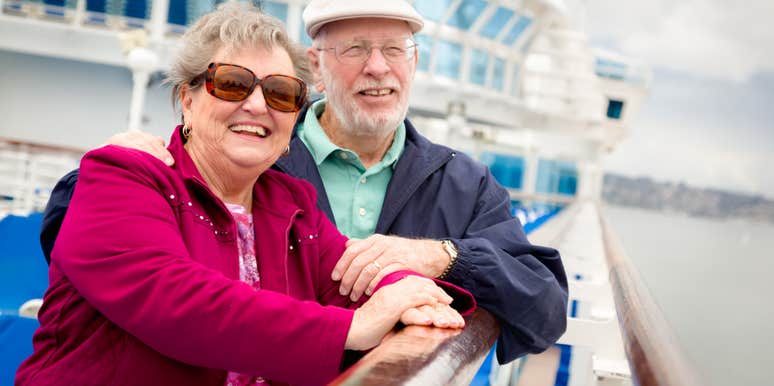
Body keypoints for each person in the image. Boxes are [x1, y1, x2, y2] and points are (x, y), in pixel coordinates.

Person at [40, 0, 568, 365]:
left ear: (414, 63)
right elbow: (103, 235)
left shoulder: (461, 182)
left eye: (395, 51)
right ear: (317, 67)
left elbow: (544, 308)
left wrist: (443, 262)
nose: (378, 69)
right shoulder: (248, 155)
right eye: (356, 49)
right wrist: (92, 171)